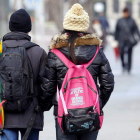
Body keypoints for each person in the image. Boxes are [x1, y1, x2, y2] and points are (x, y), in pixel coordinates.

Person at [40, 3, 114, 140]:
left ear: (66, 25)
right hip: (91, 112)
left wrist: (44, 106)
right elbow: (108, 83)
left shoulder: (56, 52)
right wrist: (98, 103)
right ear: (85, 26)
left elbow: (48, 87)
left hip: (64, 114)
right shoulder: (97, 51)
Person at [0, 9, 47, 140]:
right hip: (32, 114)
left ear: (10, 26)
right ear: (29, 28)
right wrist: (42, 106)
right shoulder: (39, 52)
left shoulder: (0, 49)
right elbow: (47, 86)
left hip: (5, 114)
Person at [115, 7, 140, 74]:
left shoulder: (132, 20)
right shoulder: (120, 20)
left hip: (129, 40)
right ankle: (123, 66)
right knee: (122, 53)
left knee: (129, 54)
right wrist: (115, 39)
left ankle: (129, 68)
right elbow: (116, 30)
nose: (125, 14)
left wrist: (138, 37)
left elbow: (136, 29)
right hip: (121, 40)